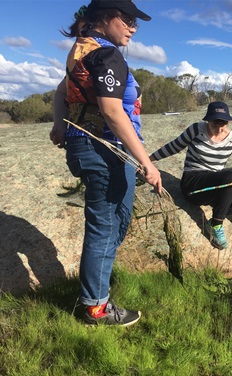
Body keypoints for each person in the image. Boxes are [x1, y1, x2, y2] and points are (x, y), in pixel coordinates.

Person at [49, 0, 162, 326]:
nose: (133, 27)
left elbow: (60, 92)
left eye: (135, 21)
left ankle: (95, 283)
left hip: (90, 148)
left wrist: (60, 124)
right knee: (105, 228)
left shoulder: (81, 50)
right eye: (127, 19)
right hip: (105, 151)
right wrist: (148, 164)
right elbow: (113, 112)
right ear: (104, 17)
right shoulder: (107, 54)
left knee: (114, 223)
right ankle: (95, 307)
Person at [149, 101, 232, 265]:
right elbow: (173, 147)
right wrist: (148, 160)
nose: (220, 127)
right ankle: (215, 224)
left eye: (224, 122)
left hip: (219, 187)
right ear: (208, 120)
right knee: (230, 176)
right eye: (216, 122)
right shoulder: (196, 130)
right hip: (194, 185)